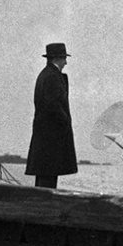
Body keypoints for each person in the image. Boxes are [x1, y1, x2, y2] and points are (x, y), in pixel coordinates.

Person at [26, 42, 78, 189]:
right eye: (64, 58)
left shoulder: (46, 75)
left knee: (45, 175)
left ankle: (40, 207)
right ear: (57, 58)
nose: (66, 62)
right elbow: (52, 105)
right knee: (47, 176)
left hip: (46, 137)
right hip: (51, 137)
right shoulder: (52, 77)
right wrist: (65, 120)